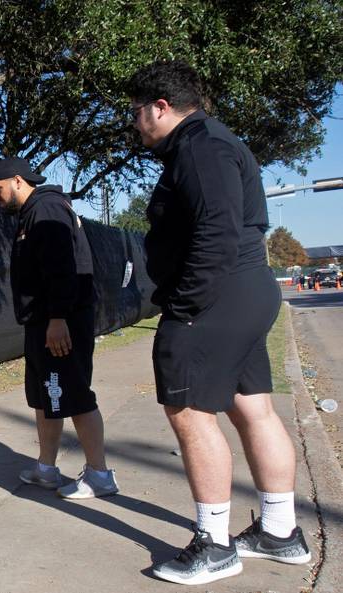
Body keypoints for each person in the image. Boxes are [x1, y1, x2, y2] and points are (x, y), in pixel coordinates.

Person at [129, 60, 311, 586]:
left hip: (217, 297)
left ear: (160, 107)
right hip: (243, 291)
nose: (135, 123)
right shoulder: (213, 141)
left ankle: (214, 546)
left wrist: (186, 305)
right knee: (252, 408)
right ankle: (279, 532)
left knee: (189, 412)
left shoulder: (200, 146)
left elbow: (217, 230)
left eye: (136, 112)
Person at [0, 157, 118, 500]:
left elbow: (63, 267)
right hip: (43, 322)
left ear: (17, 181)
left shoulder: (46, 209)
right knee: (47, 396)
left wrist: (58, 319)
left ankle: (100, 475)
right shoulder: (34, 212)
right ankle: (46, 468)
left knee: (74, 394)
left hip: (60, 322)